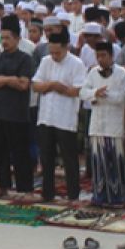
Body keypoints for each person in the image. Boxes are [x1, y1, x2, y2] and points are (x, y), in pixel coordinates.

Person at [0, 16, 35, 196]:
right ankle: (2, 185)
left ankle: (25, 188)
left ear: (17, 39)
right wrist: (9, 79)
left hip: (17, 113)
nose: (4, 42)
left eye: (8, 38)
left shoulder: (25, 59)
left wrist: (1, 79)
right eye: (2, 38)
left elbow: (23, 85)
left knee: (20, 153)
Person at [32, 31, 86, 203]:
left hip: (66, 117)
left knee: (69, 158)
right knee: (46, 157)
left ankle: (73, 194)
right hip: (46, 116)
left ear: (66, 48)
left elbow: (77, 90)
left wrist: (56, 88)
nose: (54, 56)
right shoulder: (45, 61)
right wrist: (53, 85)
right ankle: (47, 193)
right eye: (52, 52)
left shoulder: (76, 63)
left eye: (57, 53)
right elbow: (36, 85)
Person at [80, 41, 125, 208]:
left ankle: (119, 197)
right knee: (98, 162)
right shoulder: (93, 72)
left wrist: (105, 95)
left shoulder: (122, 73)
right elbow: (83, 92)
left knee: (115, 161)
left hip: (114, 124)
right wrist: (95, 93)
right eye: (98, 56)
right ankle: (99, 195)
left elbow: (124, 97)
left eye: (104, 56)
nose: (100, 59)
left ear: (112, 56)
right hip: (97, 124)